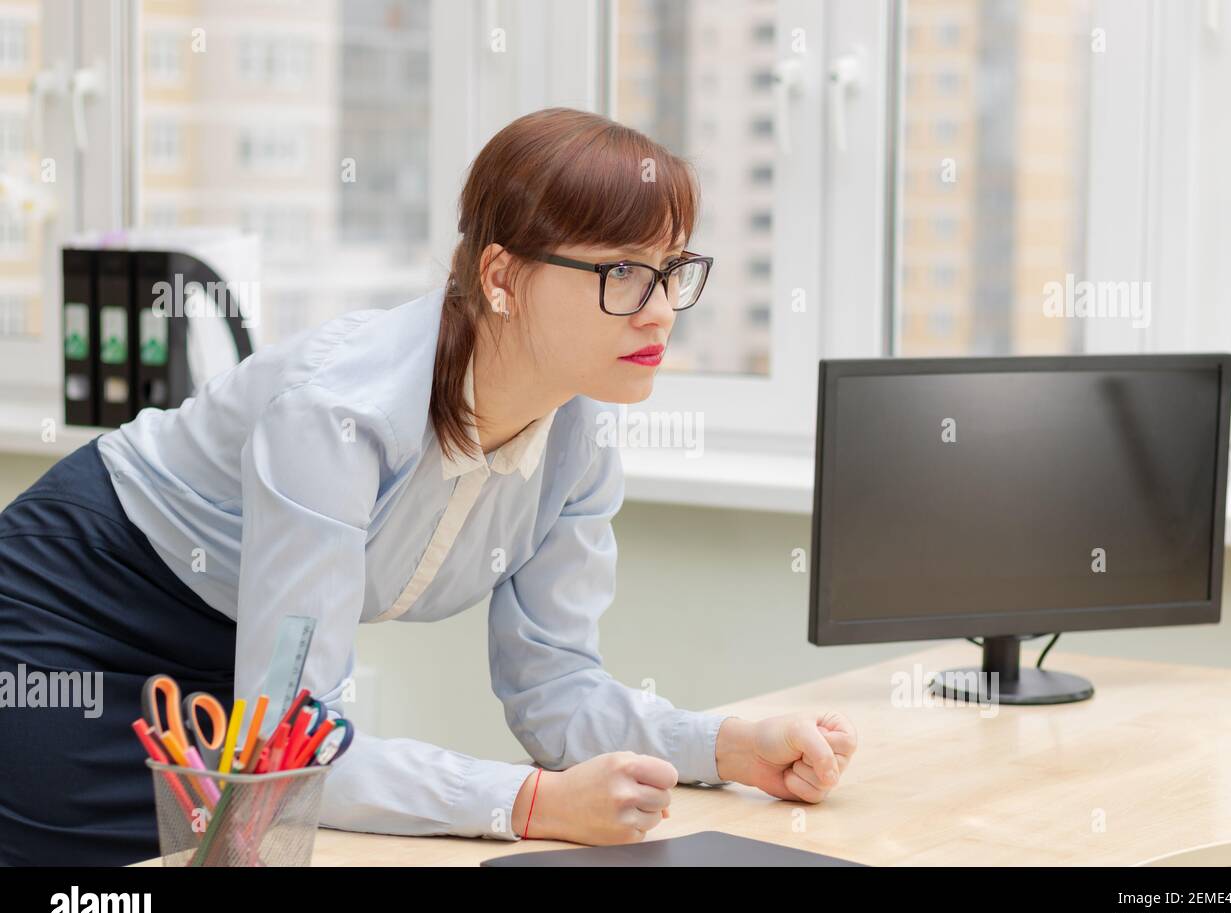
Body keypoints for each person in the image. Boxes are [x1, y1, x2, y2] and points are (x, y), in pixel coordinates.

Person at [0, 106, 857, 866]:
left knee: (264, 841)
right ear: (499, 277)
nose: (661, 309)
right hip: (79, 613)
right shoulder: (339, 417)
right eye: (622, 274)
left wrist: (726, 746)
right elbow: (289, 759)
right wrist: (528, 804)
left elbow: (555, 690)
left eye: (673, 270)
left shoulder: (580, 433)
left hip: (250, 668)